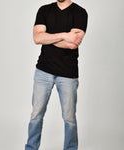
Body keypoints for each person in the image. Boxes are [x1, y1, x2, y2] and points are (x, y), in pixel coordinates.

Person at [25, 0, 88, 149]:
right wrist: (65, 35)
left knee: (69, 118)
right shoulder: (44, 10)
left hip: (68, 74)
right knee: (36, 115)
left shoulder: (80, 12)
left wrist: (47, 37)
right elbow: (37, 38)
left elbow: (73, 44)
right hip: (43, 71)